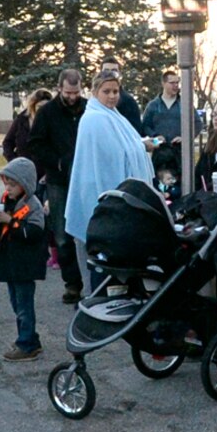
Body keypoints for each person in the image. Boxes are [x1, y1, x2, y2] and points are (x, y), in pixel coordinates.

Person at [63, 69, 155, 288]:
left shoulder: (114, 116)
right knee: (103, 255)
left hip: (112, 193)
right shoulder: (94, 119)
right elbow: (113, 155)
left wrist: (139, 146)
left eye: (116, 91)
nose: (113, 96)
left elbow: (124, 148)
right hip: (99, 191)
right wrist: (141, 146)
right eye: (107, 91)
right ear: (95, 92)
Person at [26, 68, 88, 304]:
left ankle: (93, 281)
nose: (72, 97)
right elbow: (36, 144)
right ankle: (72, 283)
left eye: (76, 92)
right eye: (68, 92)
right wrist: (58, 162)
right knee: (62, 235)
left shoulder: (88, 109)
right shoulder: (48, 113)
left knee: (88, 232)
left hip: (84, 178)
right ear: (59, 88)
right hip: (59, 180)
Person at [0, 156, 47, 361]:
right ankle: (29, 337)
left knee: (24, 306)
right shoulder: (8, 200)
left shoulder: (33, 205)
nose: (9, 188)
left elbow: (33, 233)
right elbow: (0, 231)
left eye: (13, 184)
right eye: (6, 183)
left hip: (25, 265)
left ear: (25, 184)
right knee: (16, 304)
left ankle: (26, 343)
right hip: (11, 263)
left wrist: (11, 221)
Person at [140, 70, 184, 189]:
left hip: (179, 153)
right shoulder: (153, 105)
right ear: (163, 84)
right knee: (158, 186)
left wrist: (185, 137)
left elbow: (197, 124)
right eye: (172, 82)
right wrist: (155, 136)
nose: (176, 85)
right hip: (159, 152)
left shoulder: (184, 104)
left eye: (177, 82)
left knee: (178, 187)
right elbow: (145, 126)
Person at [4, 88, 52, 164]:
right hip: (22, 170)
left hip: (46, 172)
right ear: (33, 106)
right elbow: (7, 143)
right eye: (40, 107)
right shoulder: (21, 120)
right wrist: (14, 162)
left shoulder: (53, 123)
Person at [96, 56, 145, 130]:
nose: (110, 74)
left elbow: (135, 130)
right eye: (106, 70)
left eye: (114, 71)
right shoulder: (94, 99)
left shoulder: (128, 101)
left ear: (119, 74)